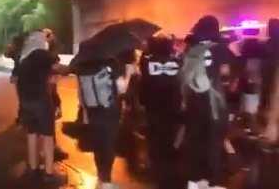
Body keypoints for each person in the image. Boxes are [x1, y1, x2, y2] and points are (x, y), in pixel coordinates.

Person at [182, 16, 235, 189]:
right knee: (214, 142)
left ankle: (194, 182)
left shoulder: (191, 48)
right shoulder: (221, 49)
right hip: (214, 104)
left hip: (193, 103)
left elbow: (183, 76)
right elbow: (226, 75)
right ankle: (212, 182)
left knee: (195, 142)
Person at [75, 49, 137, 189]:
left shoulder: (84, 67)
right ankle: (107, 182)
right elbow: (122, 89)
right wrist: (128, 73)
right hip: (110, 111)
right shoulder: (112, 64)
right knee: (108, 145)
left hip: (92, 110)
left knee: (98, 145)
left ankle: (101, 178)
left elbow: (80, 92)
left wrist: (84, 113)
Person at [16, 30, 69, 185]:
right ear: (41, 41)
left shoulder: (24, 59)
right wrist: (76, 67)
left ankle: (33, 169)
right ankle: (49, 173)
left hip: (26, 102)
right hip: (41, 101)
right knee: (47, 136)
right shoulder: (42, 54)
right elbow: (61, 68)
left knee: (31, 134)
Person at [139, 36, 182, 189]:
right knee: (170, 140)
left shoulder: (147, 62)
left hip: (154, 109)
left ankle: (156, 173)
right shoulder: (178, 62)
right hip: (173, 109)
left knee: (155, 141)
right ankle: (171, 173)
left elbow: (143, 84)